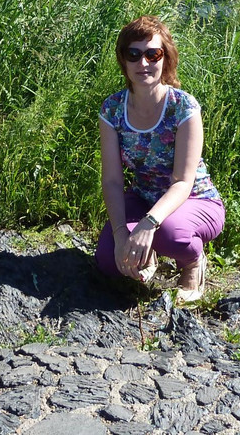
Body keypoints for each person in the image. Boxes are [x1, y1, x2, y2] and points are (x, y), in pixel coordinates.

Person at [94, 15, 225, 301]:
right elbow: (113, 181)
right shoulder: (113, 109)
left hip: (195, 200)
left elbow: (182, 182)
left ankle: (192, 262)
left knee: (170, 234)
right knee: (108, 259)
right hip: (143, 198)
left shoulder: (183, 107)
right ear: (123, 61)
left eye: (153, 54)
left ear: (166, 58)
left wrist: (147, 224)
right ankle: (147, 254)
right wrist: (119, 236)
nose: (144, 63)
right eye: (134, 54)